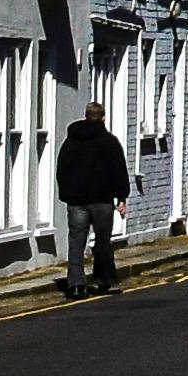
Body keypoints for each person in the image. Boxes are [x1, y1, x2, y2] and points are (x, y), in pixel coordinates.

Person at [56, 96, 130, 297]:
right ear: (103, 118)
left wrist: (67, 193)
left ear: (86, 116)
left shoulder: (71, 141)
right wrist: (121, 197)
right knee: (103, 241)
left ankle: (76, 284)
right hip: (102, 201)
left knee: (76, 241)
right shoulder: (109, 142)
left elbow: (62, 169)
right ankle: (106, 279)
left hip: (77, 201)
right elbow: (118, 170)